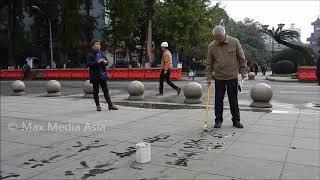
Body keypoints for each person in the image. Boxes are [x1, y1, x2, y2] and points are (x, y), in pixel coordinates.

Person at [206, 25, 248, 129]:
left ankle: (236, 120)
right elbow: (209, 63)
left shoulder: (234, 42)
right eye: (215, 38)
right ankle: (218, 120)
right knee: (218, 99)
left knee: (233, 99)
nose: (217, 40)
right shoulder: (212, 46)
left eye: (219, 37)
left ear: (224, 34)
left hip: (232, 76)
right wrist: (208, 77)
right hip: (219, 76)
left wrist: (243, 71)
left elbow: (242, 58)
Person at [87, 39, 118, 111]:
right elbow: (89, 64)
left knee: (106, 91)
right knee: (96, 91)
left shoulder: (102, 53)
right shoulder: (90, 55)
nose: (99, 46)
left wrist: (105, 62)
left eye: (99, 44)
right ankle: (98, 105)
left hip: (102, 74)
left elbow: (106, 63)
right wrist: (97, 62)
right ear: (92, 46)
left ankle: (110, 105)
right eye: (97, 44)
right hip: (95, 75)